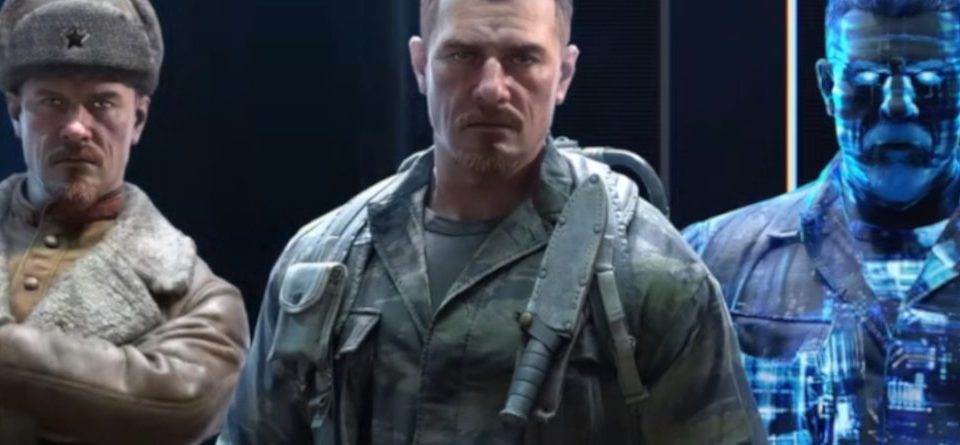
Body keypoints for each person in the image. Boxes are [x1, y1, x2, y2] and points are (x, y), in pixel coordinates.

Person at [221, 0, 764, 444]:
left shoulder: (650, 273)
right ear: (420, 65)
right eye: (461, 54)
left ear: (564, 74)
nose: (490, 88)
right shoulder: (324, 263)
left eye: (523, 58)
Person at [683, 0, 960, 443]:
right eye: (866, 80)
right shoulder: (713, 263)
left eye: (928, 81)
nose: (897, 105)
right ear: (828, 86)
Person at [0, 0, 249, 443]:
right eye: (52, 102)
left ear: (138, 119)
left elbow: (178, 405)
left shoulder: (197, 297)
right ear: (16, 113)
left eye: (102, 103)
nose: (76, 128)